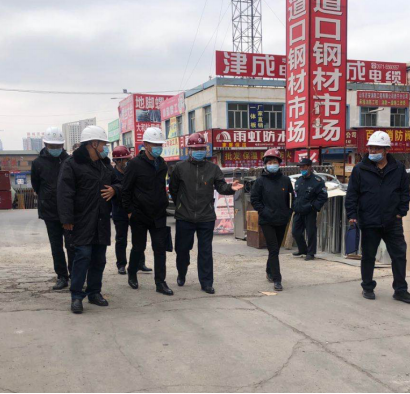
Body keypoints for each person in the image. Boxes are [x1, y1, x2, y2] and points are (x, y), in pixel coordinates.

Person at [345, 131, 410, 304]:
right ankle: (367, 287)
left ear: (386, 150)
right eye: (371, 148)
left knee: (399, 255)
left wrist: (401, 211)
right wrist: (352, 214)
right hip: (369, 220)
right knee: (368, 256)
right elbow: (352, 194)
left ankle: (400, 290)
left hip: (392, 221)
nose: (373, 151)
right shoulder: (360, 169)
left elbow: (404, 192)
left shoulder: (398, 168)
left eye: (377, 148)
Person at [169, 132, 244, 295]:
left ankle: (206, 283)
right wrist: (181, 205)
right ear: (189, 150)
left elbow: (221, 187)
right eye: (196, 149)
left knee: (205, 251)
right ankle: (182, 273)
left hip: (206, 217)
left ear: (206, 149)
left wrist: (231, 188)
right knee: (182, 249)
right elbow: (174, 190)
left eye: (201, 148)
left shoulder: (213, 168)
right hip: (184, 217)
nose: (199, 151)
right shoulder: (179, 168)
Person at [58, 126, 120, 314]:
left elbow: (119, 182)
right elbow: (64, 193)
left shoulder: (105, 165)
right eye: (103, 144)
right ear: (93, 144)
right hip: (81, 220)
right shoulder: (72, 164)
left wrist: (115, 189)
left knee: (99, 259)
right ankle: (77, 296)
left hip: (101, 220)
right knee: (82, 257)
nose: (105, 148)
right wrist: (67, 218)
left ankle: (94, 292)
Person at [121, 127, 174, 296]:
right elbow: (126, 190)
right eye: (155, 144)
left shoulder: (162, 164)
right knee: (139, 247)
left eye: (160, 144)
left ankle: (160, 282)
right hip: (139, 214)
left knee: (160, 249)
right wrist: (130, 211)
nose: (158, 147)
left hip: (158, 214)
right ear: (146, 144)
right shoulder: (134, 164)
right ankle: (132, 272)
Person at [31, 127, 74, 290]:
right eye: (52, 146)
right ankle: (62, 276)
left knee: (72, 245)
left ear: (63, 145)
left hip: (68, 211)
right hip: (49, 211)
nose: (56, 149)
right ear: (46, 145)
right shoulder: (38, 163)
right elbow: (36, 185)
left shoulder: (69, 161)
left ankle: (75, 275)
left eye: (58, 146)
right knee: (56, 246)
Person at [250, 149, 294, 292]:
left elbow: (291, 198)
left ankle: (269, 270)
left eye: (275, 162)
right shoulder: (260, 181)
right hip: (267, 220)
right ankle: (277, 279)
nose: (272, 165)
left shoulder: (286, 181)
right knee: (273, 249)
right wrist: (263, 211)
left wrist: (288, 212)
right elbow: (254, 199)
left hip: (282, 219)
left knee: (275, 250)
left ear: (279, 163)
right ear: (265, 164)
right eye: (269, 162)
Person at [110, 146, 152, 276]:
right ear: (117, 161)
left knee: (138, 238)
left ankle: (140, 263)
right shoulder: (111, 174)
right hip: (119, 210)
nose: (128, 162)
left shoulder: (133, 171)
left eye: (129, 159)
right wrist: (117, 189)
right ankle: (121, 264)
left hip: (134, 209)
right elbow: (112, 189)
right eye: (125, 160)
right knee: (121, 238)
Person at [292, 158, 328, 262]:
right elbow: (295, 196)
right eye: (300, 167)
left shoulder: (317, 181)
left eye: (303, 166)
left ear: (309, 167)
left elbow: (323, 197)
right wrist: (294, 205)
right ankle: (303, 249)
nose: (301, 168)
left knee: (311, 233)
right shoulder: (299, 181)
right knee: (295, 232)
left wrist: (313, 207)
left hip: (309, 211)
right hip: (298, 211)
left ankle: (311, 253)